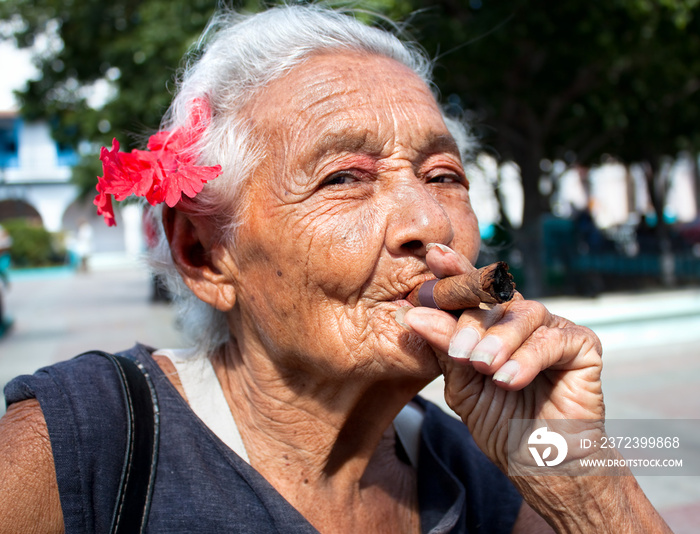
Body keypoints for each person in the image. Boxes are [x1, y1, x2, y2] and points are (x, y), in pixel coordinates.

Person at [0, 5, 670, 533]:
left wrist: (586, 486)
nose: (430, 223)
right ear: (205, 255)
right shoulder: (77, 446)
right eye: (344, 177)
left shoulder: (481, 469)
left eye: (443, 175)